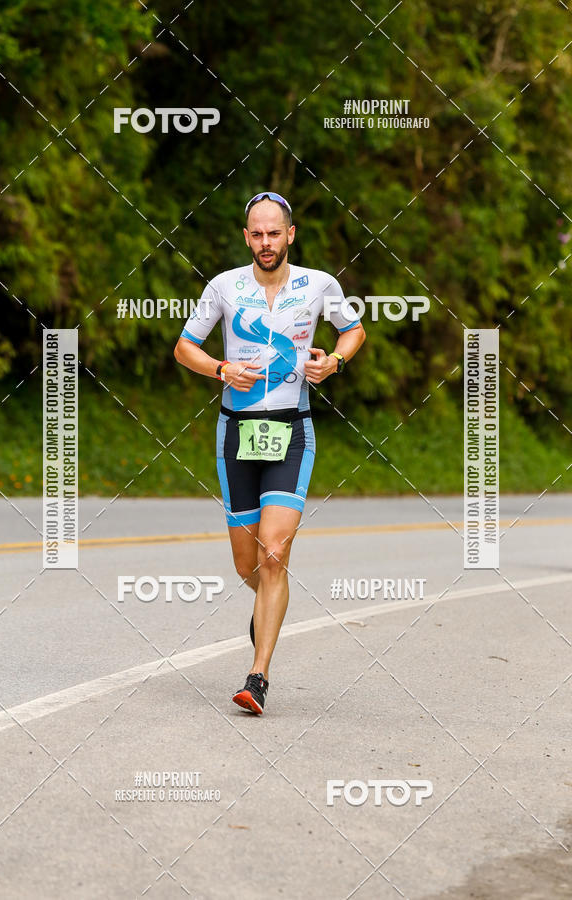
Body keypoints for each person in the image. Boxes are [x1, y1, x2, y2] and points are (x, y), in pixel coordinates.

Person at [174, 191, 366, 714]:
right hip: (236, 431)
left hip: (292, 428)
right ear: (246, 237)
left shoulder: (319, 285)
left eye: (273, 233)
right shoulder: (224, 287)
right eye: (256, 234)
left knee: (274, 554)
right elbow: (184, 346)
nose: (265, 243)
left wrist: (335, 364)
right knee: (248, 564)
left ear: (290, 234)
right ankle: (267, 603)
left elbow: (353, 331)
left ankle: (257, 677)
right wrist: (220, 369)